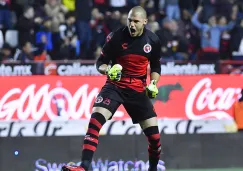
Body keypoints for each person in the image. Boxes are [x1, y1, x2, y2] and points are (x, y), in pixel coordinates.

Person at [62, 6, 163, 171]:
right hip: (115, 85)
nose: (132, 25)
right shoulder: (116, 37)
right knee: (95, 121)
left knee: (154, 138)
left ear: (144, 22)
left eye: (136, 21)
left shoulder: (153, 40)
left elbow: (156, 66)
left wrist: (153, 83)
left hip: (137, 89)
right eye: (130, 20)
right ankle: (83, 167)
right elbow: (100, 63)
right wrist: (108, 70)